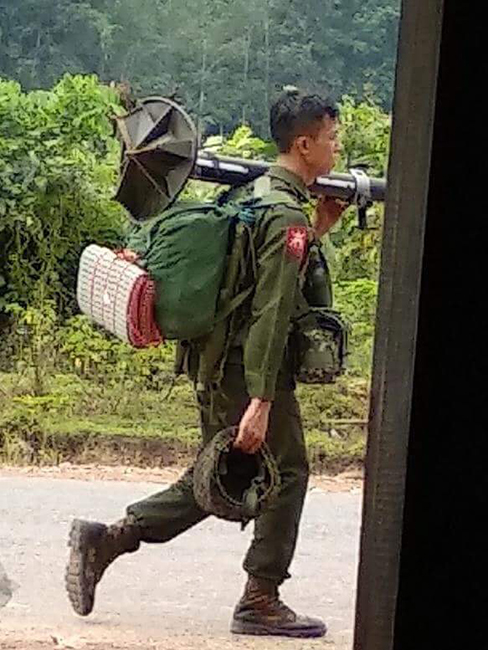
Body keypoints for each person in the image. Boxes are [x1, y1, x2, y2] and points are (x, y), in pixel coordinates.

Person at [65, 87, 346, 639]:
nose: (339, 149)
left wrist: (318, 231)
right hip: (248, 369)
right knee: (285, 472)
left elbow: (253, 275)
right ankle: (260, 597)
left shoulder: (257, 193)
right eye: (334, 139)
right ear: (306, 144)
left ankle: (111, 538)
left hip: (217, 362)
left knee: (222, 472)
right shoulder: (284, 211)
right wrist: (263, 401)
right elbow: (271, 309)